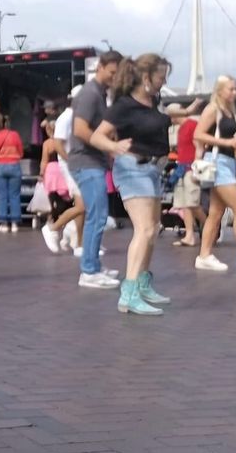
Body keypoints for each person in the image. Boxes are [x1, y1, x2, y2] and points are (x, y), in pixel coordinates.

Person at [90, 54, 174, 315]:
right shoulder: (123, 105)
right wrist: (115, 146)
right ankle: (129, 294)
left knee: (154, 228)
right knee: (145, 229)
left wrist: (185, 112)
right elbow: (96, 136)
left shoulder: (153, 101)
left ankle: (142, 283)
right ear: (146, 77)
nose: (164, 80)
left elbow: (158, 121)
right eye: (161, 76)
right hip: (132, 168)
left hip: (152, 169)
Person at [68, 51, 124, 289]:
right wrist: (109, 146)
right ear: (100, 67)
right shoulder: (90, 94)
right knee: (97, 215)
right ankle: (89, 271)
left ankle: (93, 265)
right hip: (85, 161)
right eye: (112, 72)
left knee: (97, 215)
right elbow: (79, 130)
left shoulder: (99, 94)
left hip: (93, 161)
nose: (114, 77)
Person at [193, 75, 236, 273]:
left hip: (226, 162)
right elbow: (198, 135)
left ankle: (204, 255)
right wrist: (228, 143)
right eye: (231, 89)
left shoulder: (228, 110)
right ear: (219, 90)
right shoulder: (213, 109)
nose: (235, 92)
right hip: (216, 163)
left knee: (216, 212)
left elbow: (226, 137)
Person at [44, 91, 85, 254]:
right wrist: (70, 160)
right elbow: (58, 144)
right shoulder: (66, 118)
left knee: (84, 206)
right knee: (82, 205)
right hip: (70, 166)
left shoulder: (75, 117)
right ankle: (54, 228)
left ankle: (79, 243)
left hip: (77, 164)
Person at [171, 105, 206, 247]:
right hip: (181, 168)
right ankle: (189, 235)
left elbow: (200, 146)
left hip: (191, 168)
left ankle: (210, 226)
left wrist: (196, 168)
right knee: (184, 204)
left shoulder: (193, 125)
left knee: (193, 203)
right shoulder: (180, 129)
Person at [0, 113, 23, 233]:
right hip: (14, 166)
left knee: (2, 195)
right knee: (14, 195)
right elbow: (21, 153)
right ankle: (15, 223)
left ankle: (3, 223)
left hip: (0, 168)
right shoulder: (15, 135)